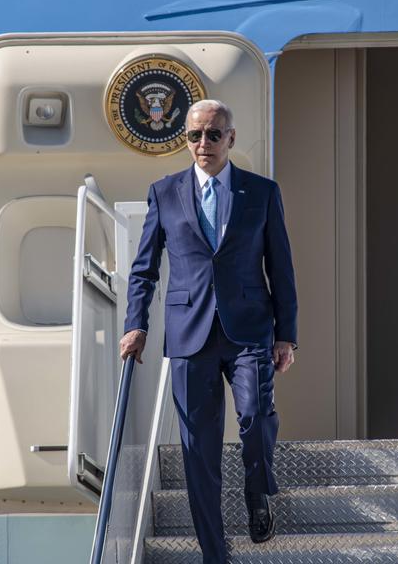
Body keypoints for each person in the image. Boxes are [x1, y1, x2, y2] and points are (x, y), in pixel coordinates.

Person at [119, 99, 298, 563]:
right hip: (188, 332)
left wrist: (286, 333)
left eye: (213, 135)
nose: (203, 144)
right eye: (194, 135)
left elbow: (281, 267)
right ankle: (215, 554)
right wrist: (135, 325)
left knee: (256, 416)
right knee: (199, 453)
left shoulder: (261, 192)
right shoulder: (164, 192)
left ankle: (258, 491)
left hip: (249, 330)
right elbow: (144, 271)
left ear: (231, 139)